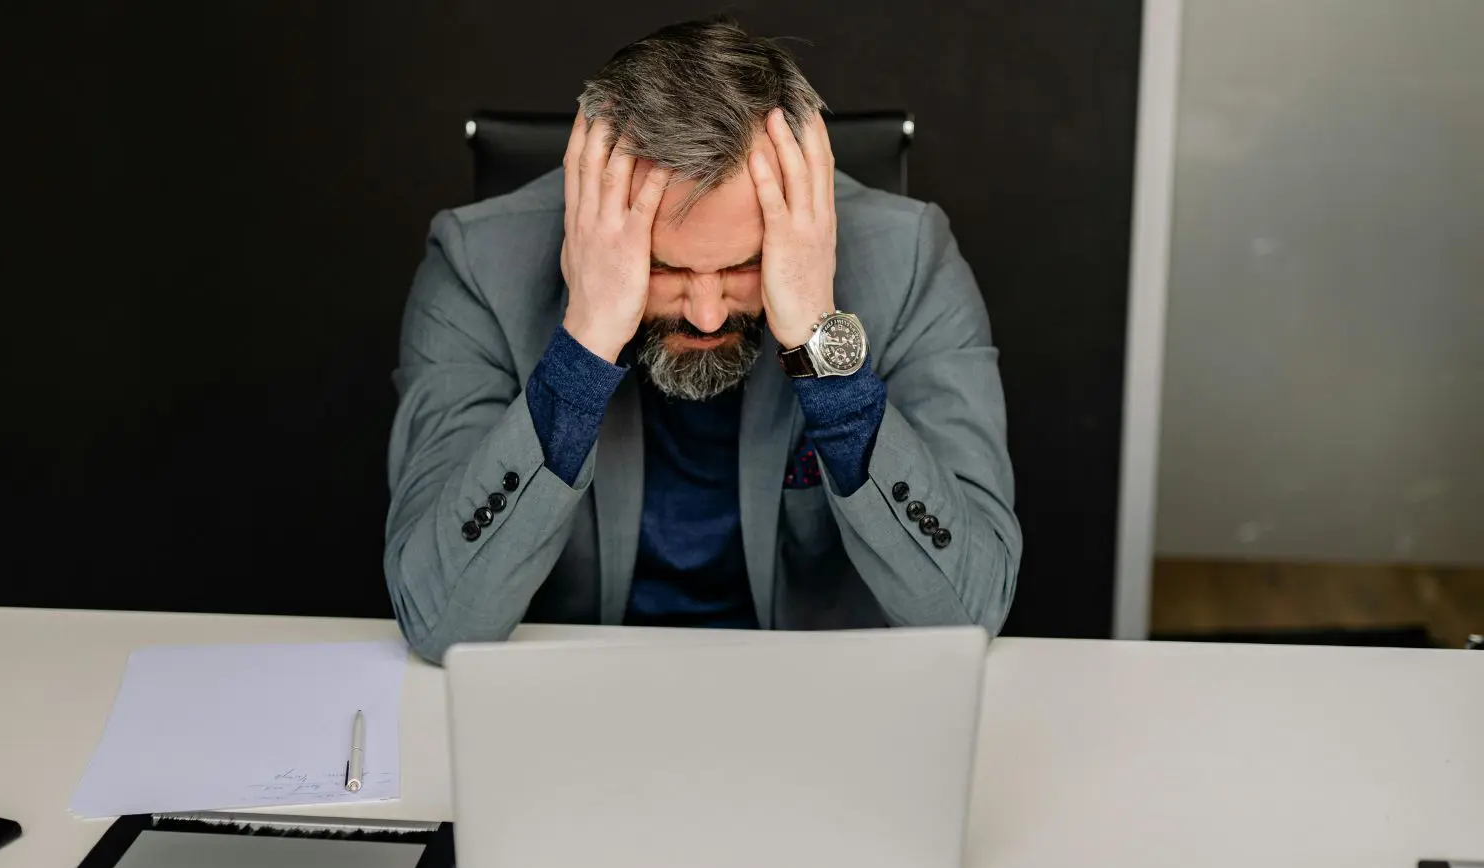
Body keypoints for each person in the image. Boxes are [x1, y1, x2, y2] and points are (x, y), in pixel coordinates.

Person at [385, 19, 1020, 663]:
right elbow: (439, 621)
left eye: (744, 265)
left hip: (813, 708)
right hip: (574, 704)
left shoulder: (911, 261)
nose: (710, 315)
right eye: (665, 269)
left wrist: (823, 351)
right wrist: (585, 344)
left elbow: (968, 612)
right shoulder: (476, 265)